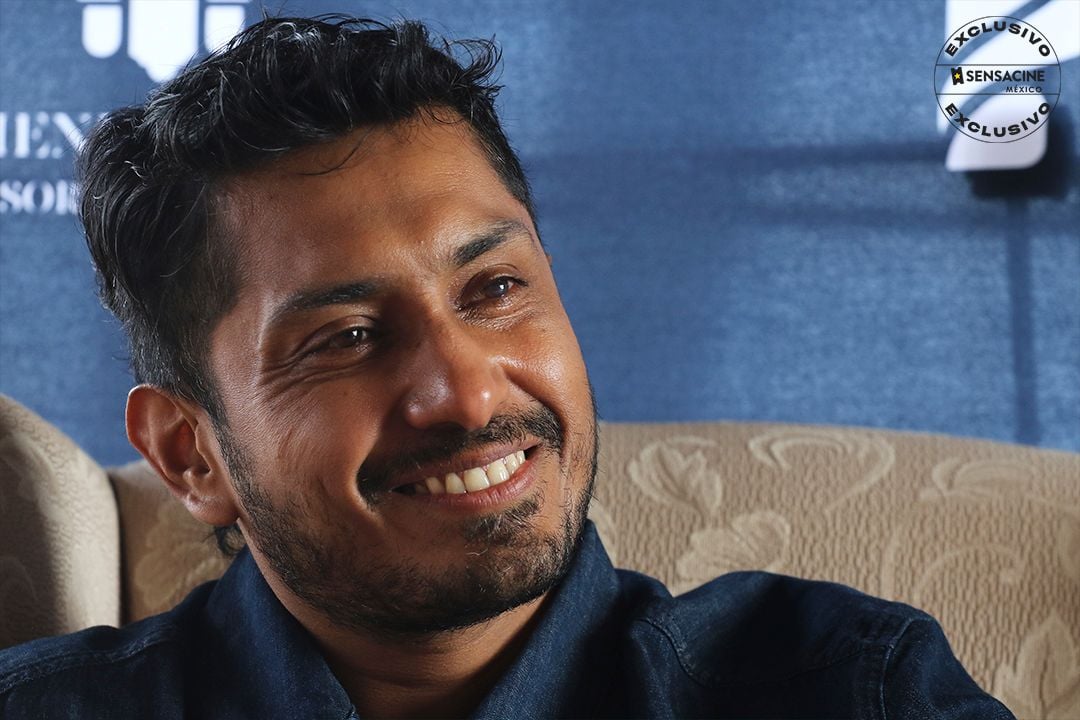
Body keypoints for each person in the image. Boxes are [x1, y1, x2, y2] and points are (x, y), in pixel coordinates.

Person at [0, 15, 1013, 719]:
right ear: (191, 454)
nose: (470, 391)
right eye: (346, 337)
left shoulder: (849, 691)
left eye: (493, 289)